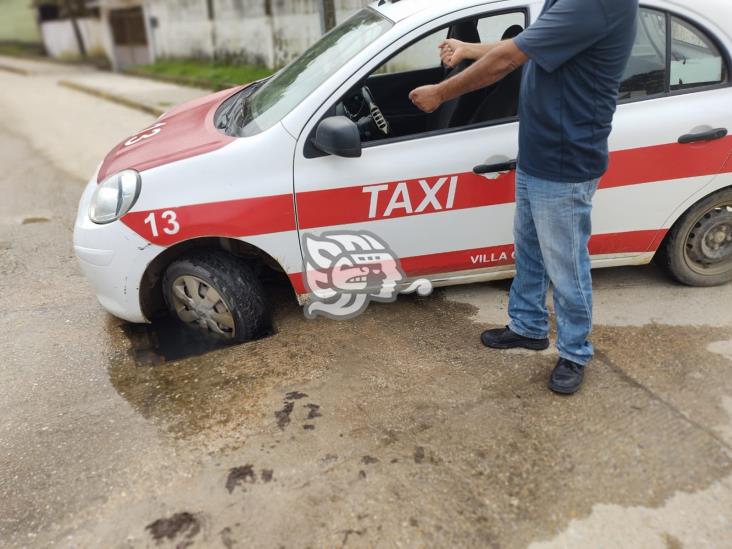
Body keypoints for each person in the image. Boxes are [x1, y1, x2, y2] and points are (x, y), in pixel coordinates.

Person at [409, 0, 638, 394]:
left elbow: (508, 59)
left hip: (565, 159)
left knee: (566, 264)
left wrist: (440, 93)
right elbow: (530, 46)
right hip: (538, 150)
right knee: (529, 249)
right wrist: (468, 49)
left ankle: (574, 352)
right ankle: (528, 326)